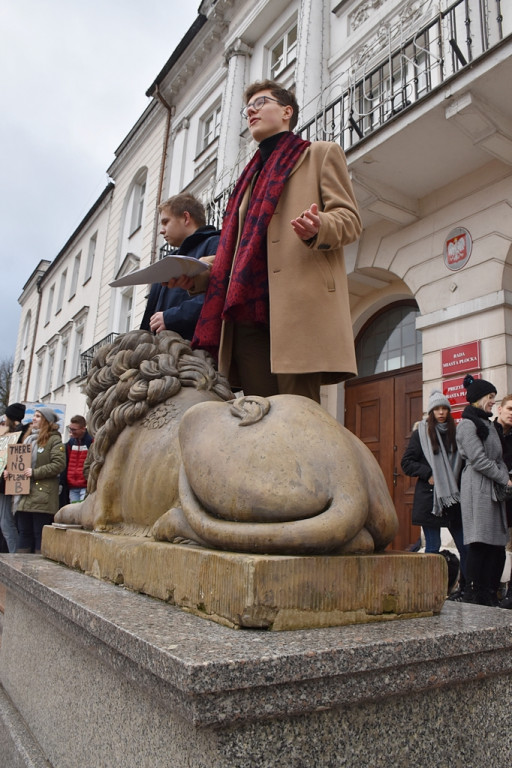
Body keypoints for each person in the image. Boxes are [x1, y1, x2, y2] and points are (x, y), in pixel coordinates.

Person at [165, 79, 362, 403]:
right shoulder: (248, 179)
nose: (251, 112)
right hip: (246, 313)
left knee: (299, 417)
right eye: (248, 108)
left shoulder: (320, 155)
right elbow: (236, 253)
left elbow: (350, 220)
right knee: (260, 418)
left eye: (261, 103)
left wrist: (319, 226)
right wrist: (194, 274)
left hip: (297, 309)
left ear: (287, 111)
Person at [401, 390, 466, 596]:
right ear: (431, 412)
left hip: (453, 498)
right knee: (433, 546)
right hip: (431, 499)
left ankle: (464, 589)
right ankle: (429, 591)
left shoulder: (455, 432)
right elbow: (407, 463)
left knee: (465, 545)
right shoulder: (421, 433)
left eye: (444, 408)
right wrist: (428, 472)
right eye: (436, 409)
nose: (441, 412)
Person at [456, 374, 512, 606]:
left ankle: (490, 593)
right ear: (479, 397)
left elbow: (496, 457)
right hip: (477, 488)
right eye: (490, 397)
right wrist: (505, 479)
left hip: (492, 488)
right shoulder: (468, 425)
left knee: (496, 545)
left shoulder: (487, 423)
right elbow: (478, 460)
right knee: (480, 543)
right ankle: (477, 595)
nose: (492, 402)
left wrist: (502, 475)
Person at [139, 194, 220, 340]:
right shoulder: (167, 262)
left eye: (166, 222)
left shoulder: (215, 243)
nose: (161, 230)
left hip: (195, 352)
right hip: (162, 353)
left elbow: (219, 295)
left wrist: (171, 318)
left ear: (186, 218)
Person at [15, 407, 66, 553]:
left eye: (38, 416)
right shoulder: (29, 439)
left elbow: (58, 464)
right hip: (25, 493)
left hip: (42, 495)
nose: (34, 418)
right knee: (23, 532)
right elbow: (20, 463)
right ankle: (20, 567)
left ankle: (38, 568)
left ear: (46, 420)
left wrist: (35, 472)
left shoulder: (54, 440)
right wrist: (11, 474)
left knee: (39, 533)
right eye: (34, 416)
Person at [0, 402, 31, 552]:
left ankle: (14, 554)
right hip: (5, 482)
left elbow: (15, 459)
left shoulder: (20, 434)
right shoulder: (9, 433)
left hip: (8, 483)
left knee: (6, 523)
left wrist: (7, 471)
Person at [493, 394, 512, 607]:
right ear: (499, 409)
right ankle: (495, 588)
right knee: (495, 548)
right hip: (493, 499)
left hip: (511, 498)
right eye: (510, 409)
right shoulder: (489, 431)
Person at [60, 415, 93, 505]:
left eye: (74, 430)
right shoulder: (70, 443)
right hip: (72, 485)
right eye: (70, 429)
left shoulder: (91, 442)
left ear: (83, 429)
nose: (71, 432)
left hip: (85, 485)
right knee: (73, 512)